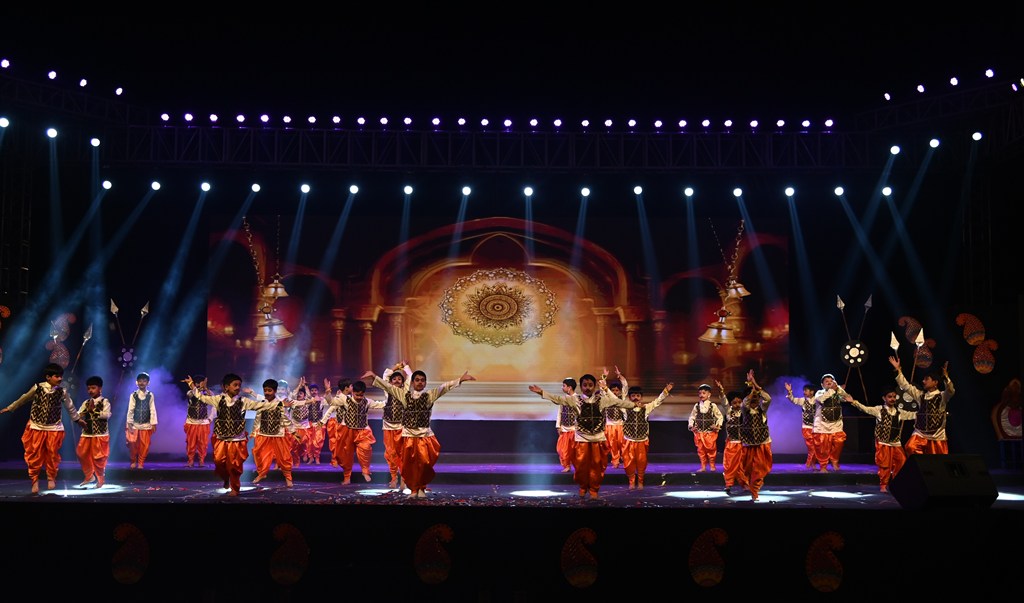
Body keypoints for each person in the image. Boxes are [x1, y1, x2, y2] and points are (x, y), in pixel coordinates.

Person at [361, 368, 476, 498]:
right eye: (417, 380)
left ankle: (421, 487)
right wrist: (374, 376)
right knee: (409, 465)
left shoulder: (430, 395)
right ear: (412, 383)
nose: (420, 382)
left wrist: (460, 380)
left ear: (425, 383)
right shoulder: (404, 396)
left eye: (422, 380)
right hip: (408, 436)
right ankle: (414, 490)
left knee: (424, 464)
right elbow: (388, 387)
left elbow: (444, 387)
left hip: (424, 436)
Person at [529, 373, 634, 499]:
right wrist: (541, 392)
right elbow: (558, 399)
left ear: (594, 386)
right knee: (581, 466)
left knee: (597, 466)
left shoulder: (602, 400)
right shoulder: (575, 400)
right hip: (581, 438)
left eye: (590, 385)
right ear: (581, 387)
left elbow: (618, 402)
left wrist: (634, 405)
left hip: (597, 438)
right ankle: (583, 487)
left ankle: (594, 490)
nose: (588, 388)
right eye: (585, 385)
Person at [182, 372, 282, 497]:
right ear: (226, 387)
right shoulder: (218, 399)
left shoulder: (243, 401)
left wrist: (281, 404)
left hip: (237, 440)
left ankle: (235, 488)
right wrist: (192, 385)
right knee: (219, 462)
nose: (238, 387)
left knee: (235, 466)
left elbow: (261, 405)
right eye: (235, 385)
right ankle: (225, 478)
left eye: (239, 385)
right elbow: (201, 397)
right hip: (221, 439)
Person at [0, 362, 87, 494]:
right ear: (48, 377)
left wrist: (77, 420)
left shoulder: (62, 392)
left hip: (54, 427)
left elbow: (70, 407)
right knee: (34, 455)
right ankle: (34, 480)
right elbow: (24, 398)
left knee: (52, 454)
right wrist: (11, 407)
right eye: (57, 376)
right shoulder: (38, 388)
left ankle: (51, 477)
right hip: (37, 426)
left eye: (61, 376)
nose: (60, 379)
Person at [842, 386, 917, 492]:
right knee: (885, 465)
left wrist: (923, 411)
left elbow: (912, 415)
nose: (892, 399)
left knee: (901, 462)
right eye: (890, 397)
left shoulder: (899, 412)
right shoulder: (879, 410)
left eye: (894, 397)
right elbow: (865, 409)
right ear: (884, 398)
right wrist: (853, 402)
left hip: (895, 442)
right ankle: (884, 485)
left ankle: (897, 484)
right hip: (883, 442)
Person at [890, 356, 955, 455]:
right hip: (920, 434)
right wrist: (898, 370)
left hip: (937, 435)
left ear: (935, 382)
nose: (923, 381)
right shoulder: (921, 395)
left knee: (937, 460)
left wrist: (945, 377)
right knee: (910, 447)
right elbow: (905, 386)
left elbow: (950, 390)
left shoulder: (942, 396)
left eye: (926, 379)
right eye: (924, 379)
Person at [324, 379, 385, 484]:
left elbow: (380, 404)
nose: (359, 397)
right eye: (357, 395)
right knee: (345, 455)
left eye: (361, 395)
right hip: (347, 430)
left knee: (366, 449)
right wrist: (328, 392)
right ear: (352, 392)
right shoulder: (345, 399)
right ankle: (347, 477)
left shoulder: (367, 401)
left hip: (362, 431)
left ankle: (365, 471)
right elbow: (332, 402)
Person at [619, 381, 673, 489]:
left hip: (642, 441)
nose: (635, 398)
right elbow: (616, 400)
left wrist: (665, 391)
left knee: (641, 462)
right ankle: (631, 481)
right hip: (628, 441)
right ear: (629, 397)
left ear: (641, 397)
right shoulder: (625, 408)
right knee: (628, 462)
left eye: (638, 396)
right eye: (633, 396)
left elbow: (658, 401)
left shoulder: (646, 408)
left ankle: (640, 481)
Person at [251, 378, 300, 487]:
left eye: (269, 390)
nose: (267, 393)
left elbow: (286, 418)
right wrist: (254, 431)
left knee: (284, 456)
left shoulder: (280, 404)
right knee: (258, 453)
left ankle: (288, 478)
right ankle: (262, 473)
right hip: (263, 433)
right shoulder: (262, 403)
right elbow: (258, 417)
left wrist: (293, 432)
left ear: (275, 391)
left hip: (278, 434)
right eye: (265, 390)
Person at [737, 369, 772, 501]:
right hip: (748, 444)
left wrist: (755, 385)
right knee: (748, 469)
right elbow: (745, 403)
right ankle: (751, 487)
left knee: (760, 468)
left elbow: (768, 398)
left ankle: (755, 491)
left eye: (757, 397)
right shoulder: (745, 410)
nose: (754, 399)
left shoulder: (762, 410)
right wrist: (752, 390)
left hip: (762, 443)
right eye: (752, 397)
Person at [380, 362, 413, 489]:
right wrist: (396, 367)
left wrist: (405, 367)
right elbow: (385, 376)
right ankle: (394, 478)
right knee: (390, 453)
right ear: (391, 382)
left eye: (399, 379)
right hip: (388, 427)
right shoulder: (388, 390)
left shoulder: (404, 391)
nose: (397, 380)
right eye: (394, 379)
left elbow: (410, 376)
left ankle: (404, 479)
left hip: (401, 427)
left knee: (402, 453)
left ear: (403, 382)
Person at [75, 375, 112, 488]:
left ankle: (100, 479)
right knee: (81, 454)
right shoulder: (86, 402)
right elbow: (78, 414)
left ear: (100, 388)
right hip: (87, 433)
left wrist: (94, 411)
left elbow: (107, 415)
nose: (90, 391)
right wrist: (80, 416)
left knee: (99, 458)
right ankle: (89, 476)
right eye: (88, 388)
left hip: (100, 434)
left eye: (93, 388)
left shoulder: (105, 401)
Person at [811, 373, 848, 472]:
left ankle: (834, 460)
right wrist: (832, 390)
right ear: (822, 384)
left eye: (831, 381)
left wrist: (839, 389)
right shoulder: (819, 392)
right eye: (826, 381)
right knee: (823, 447)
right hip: (822, 425)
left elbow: (846, 398)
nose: (829, 383)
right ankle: (823, 466)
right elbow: (821, 399)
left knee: (839, 442)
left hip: (836, 424)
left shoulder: (837, 392)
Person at [687, 382, 724, 472]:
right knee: (701, 450)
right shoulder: (697, 406)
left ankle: (712, 466)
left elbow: (720, 416)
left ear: (709, 394)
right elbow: (692, 417)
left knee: (711, 450)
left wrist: (717, 425)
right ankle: (703, 466)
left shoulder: (712, 406)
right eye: (700, 393)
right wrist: (691, 426)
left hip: (710, 432)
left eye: (704, 393)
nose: (701, 395)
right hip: (699, 432)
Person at [125, 371, 158, 469]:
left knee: (145, 445)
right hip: (134, 424)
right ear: (136, 382)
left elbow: (152, 409)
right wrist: (129, 422)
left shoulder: (150, 395)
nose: (142, 383)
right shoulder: (134, 395)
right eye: (139, 381)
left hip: (145, 424)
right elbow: (130, 409)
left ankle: (141, 462)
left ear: (148, 383)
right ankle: (133, 460)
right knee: (132, 444)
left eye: (144, 381)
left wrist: (153, 423)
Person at [784, 381, 817, 469]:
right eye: (804, 390)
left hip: (818, 428)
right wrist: (789, 391)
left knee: (816, 448)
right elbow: (793, 400)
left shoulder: (818, 400)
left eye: (806, 390)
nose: (804, 392)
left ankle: (812, 464)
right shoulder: (803, 400)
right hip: (806, 428)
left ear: (812, 392)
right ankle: (809, 465)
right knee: (812, 448)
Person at [183, 373, 214, 467]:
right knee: (191, 443)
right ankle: (190, 461)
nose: (201, 384)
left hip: (203, 422)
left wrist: (210, 418)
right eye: (199, 383)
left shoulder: (209, 393)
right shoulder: (190, 392)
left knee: (203, 444)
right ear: (195, 383)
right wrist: (192, 385)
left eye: (203, 382)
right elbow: (195, 395)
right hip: (192, 422)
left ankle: (201, 461)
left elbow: (213, 403)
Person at [322, 378, 353, 468]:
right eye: (351, 386)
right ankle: (334, 460)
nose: (353, 387)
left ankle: (343, 461)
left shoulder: (352, 398)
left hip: (349, 425)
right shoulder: (340, 398)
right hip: (338, 424)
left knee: (346, 445)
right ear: (346, 388)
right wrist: (322, 421)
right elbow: (331, 406)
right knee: (335, 442)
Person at [553, 377, 581, 473]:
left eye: (564, 386)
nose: (562, 388)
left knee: (574, 450)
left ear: (569, 387)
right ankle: (567, 465)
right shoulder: (563, 399)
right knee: (562, 449)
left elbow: (580, 413)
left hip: (574, 429)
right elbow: (560, 413)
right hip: (564, 429)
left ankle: (578, 467)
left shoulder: (578, 399)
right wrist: (558, 426)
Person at [720, 389, 745, 496]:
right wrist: (721, 392)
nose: (737, 405)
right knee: (729, 465)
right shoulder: (729, 412)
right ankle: (728, 484)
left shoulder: (744, 413)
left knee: (741, 466)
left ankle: (745, 484)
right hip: (731, 444)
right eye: (734, 403)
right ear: (731, 403)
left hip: (742, 444)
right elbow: (724, 403)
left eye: (739, 402)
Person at [603, 366, 628, 469]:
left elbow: (625, 385)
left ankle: (625, 460)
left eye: (617, 390)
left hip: (620, 425)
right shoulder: (607, 399)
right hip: (609, 425)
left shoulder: (622, 398)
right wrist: (604, 377)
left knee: (623, 444)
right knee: (612, 445)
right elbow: (602, 389)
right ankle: (615, 461)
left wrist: (619, 375)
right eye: (613, 390)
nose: (615, 392)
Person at [287, 377, 312, 466]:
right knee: (294, 446)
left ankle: (304, 453)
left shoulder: (307, 402)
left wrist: (305, 386)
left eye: (301, 393)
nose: (299, 395)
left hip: (304, 428)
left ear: (304, 395)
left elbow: (309, 396)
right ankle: (296, 462)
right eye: (298, 393)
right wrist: (299, 385)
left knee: (304, 443)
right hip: (295, 428)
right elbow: (293, 395)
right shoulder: (293, 403)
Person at [305, 381, 328, 464]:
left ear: (318, 391)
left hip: (319, 423)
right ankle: (311, 457)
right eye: (312, 390)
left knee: (318, 441)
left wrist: (327, 390)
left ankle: (317, 457)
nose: (313, 392)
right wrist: (305, 386)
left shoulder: (322, 400)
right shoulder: (308, 401)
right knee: (309, 442)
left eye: (315, 390)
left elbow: (327, 399)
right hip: (309, 423)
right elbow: (307, 396)